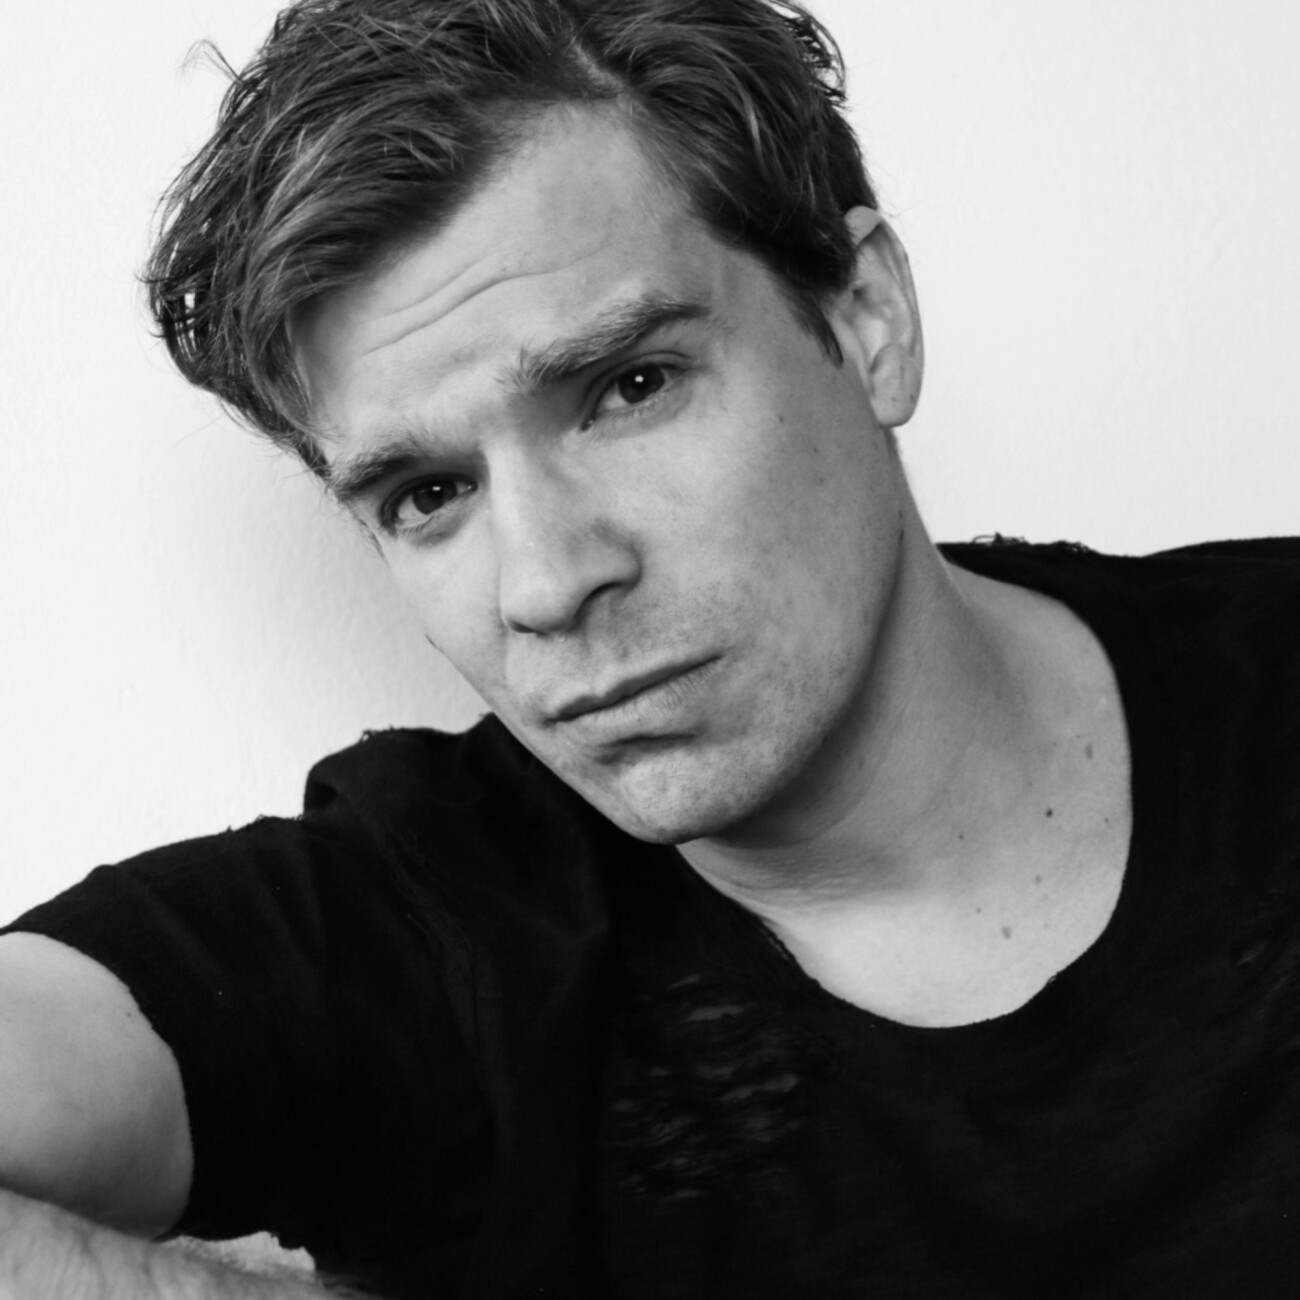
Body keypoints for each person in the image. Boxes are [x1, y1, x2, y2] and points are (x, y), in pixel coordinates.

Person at [1, 0, 1298, 1296]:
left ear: (867, 319)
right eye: (429, 494)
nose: (546, 582)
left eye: (629, 387)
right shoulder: (414, 940)